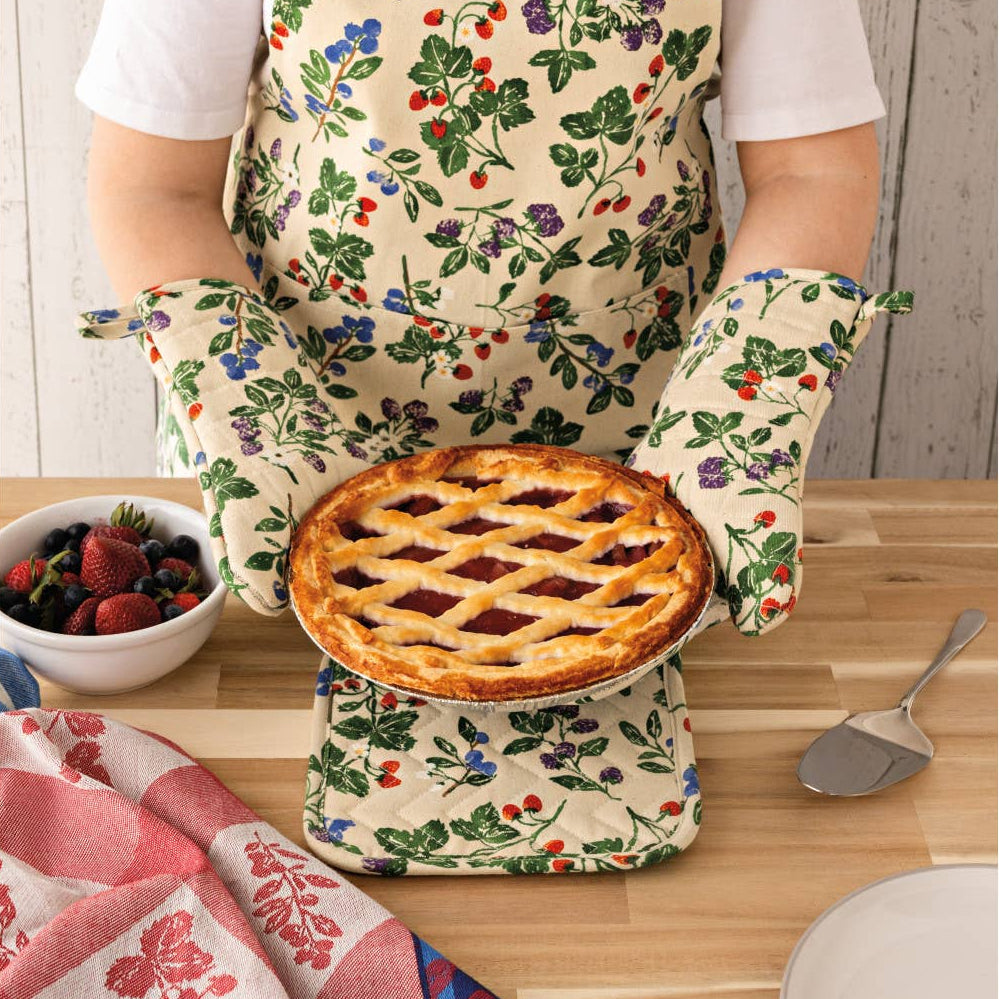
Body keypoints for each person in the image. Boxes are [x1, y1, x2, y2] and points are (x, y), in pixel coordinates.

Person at [76, 0, 906, 632]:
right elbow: (155, 185)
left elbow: (809, 171)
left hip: (648, 475)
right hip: (290, 456)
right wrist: (262, 418)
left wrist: (729, 416)